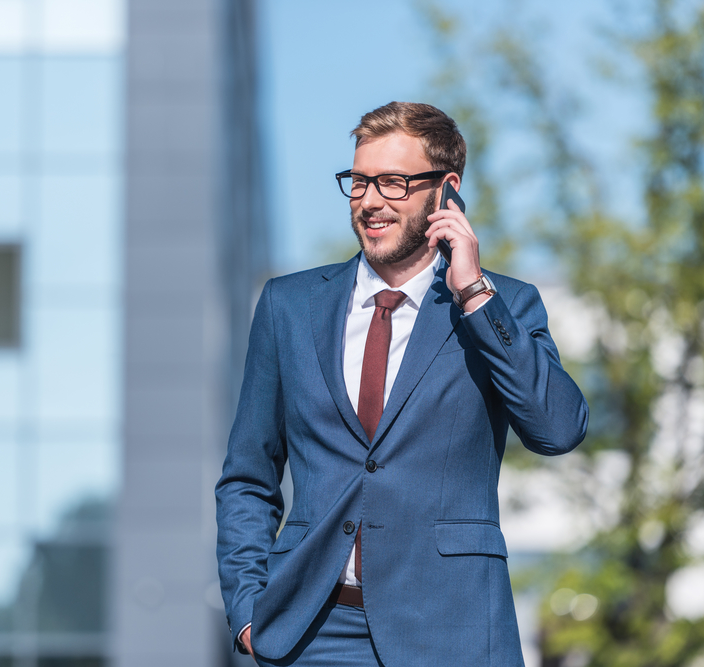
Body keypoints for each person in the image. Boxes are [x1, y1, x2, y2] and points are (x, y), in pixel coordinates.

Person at [216, 101, 588, 666]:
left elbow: (558, 429)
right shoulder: (288, 307)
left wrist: (474, 294)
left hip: (453, 630)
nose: (369, 201)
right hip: (311, 632)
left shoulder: (504, 306)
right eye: (359, 182)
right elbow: (248, 475)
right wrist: (247, 608)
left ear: (446, 192)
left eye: (392, 183)